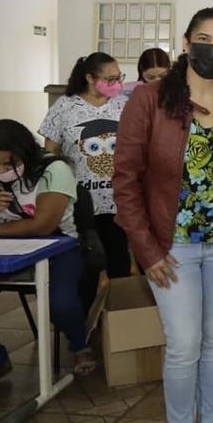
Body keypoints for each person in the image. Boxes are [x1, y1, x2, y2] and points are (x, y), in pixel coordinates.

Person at [114, 8, 213, 423]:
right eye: (204, 37)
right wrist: (146, 248)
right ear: (187, 41)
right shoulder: (150, 100)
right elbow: (125, 180)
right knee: (184, 344)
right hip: (172, 246)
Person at [0, 119, 96, 393]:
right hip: (3, 251)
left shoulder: (53, 169)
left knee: (61, 303)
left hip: (58, 247)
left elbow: (43, 225)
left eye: (8, 164)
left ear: (25, 154)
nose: (0, 171)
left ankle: (79, 344)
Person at [39, 52, 131, 278]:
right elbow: (49, 155)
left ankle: (117, 313)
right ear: (90, 78)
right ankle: (87, 312)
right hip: (80, 201)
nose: (117, 84)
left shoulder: (125, 105)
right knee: (86, 266)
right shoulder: (65, 107)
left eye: (119, 78)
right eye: (110, 79)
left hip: (118, 200)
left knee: (118, 262)